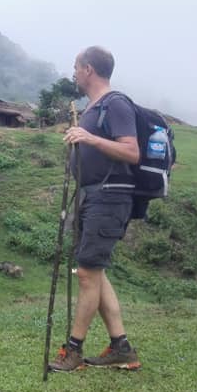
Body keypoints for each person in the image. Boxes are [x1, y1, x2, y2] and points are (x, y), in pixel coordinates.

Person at [48, 46, 142, 371]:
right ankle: (122, 347)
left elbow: (131, 152)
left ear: (88, 69)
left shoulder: (115, 103)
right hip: (92, 195)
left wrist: (89, 139)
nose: (73, 73)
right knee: (94, 271)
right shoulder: (93, 108)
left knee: (87, 273)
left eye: (76, 67)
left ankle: (73, 351)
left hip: (109, 196)